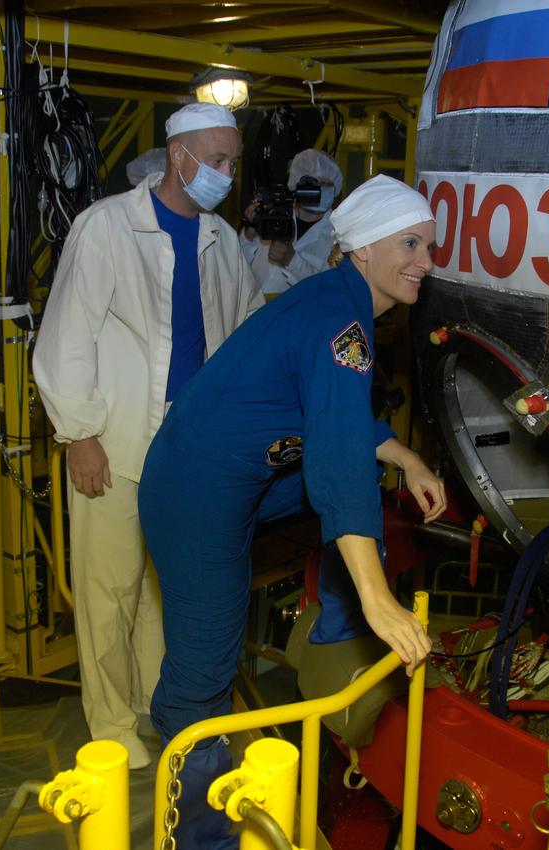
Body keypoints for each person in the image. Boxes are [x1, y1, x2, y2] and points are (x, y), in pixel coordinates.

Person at [137, 174, 444, 848]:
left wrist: (406, 459)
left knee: (360, 479)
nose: (426, 259)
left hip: (246, 475)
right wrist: (378, 599)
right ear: (362, 250)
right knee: (202, 675)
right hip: (196, 494)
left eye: (429, 244)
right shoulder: (342, 321)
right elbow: (333, 453)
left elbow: (334, 412)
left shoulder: (336, 300)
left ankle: (336, 631)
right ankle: (196, 833)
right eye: (411, 243)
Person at [32, 102, 263, 770]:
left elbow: (245, 337)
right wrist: (78, 433)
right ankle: (109, 724)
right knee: (108, 592)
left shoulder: (222, 244)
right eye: (215, 160)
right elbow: (66, 334)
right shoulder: (106, 227)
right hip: (116, 439)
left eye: (232, 162)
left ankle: (155, 705)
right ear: (178, 155)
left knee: (167, 592)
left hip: (191, 452)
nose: (225, 173)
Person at [240, 149, 342, 295]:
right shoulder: (272, 215)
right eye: (310, 182)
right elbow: (235, 269)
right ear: (295, 183)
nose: (317, 188)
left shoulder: (339, 237)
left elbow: (331, 290)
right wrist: (248, 235)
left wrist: (292, 261)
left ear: (335, 188)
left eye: (324, 183)